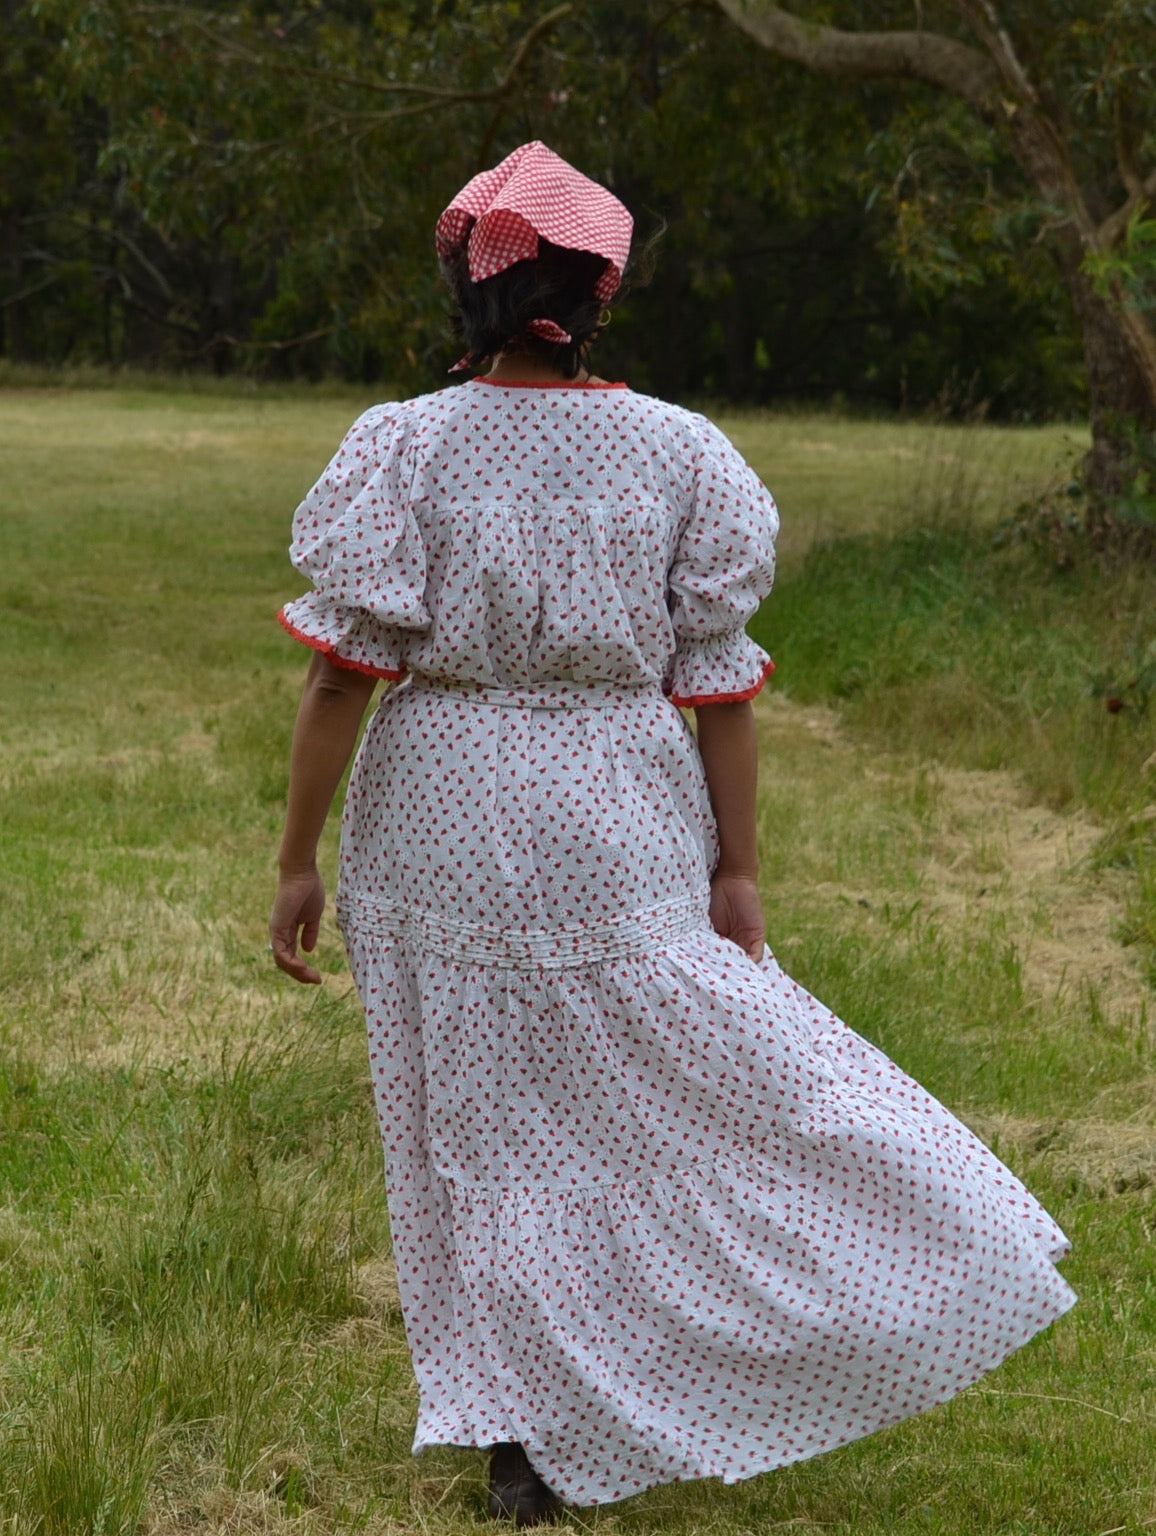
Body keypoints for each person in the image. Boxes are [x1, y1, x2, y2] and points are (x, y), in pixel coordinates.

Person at [270, 140, 1075, 1525]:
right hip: (620, 808)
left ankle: (526, 1424)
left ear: (470, 293)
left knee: (480, 1115)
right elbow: (717, 689)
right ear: (599, 300)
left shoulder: (401, 443)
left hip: (441, 818)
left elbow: (345, 674)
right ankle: (631, 1377)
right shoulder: (682, 451)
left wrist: (295, 858)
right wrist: (740, 868)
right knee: (652, 1089)